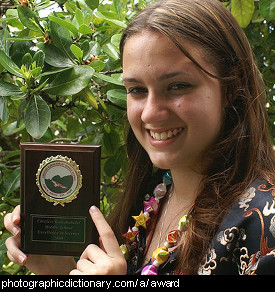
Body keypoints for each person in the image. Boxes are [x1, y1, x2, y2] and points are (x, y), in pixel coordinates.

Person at [4, 0, 275, 275]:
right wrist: (57, 270)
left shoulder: (265, 221)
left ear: (231, 87)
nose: (150, 113)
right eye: (136, 90)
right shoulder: (152, 196)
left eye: (178, 86)